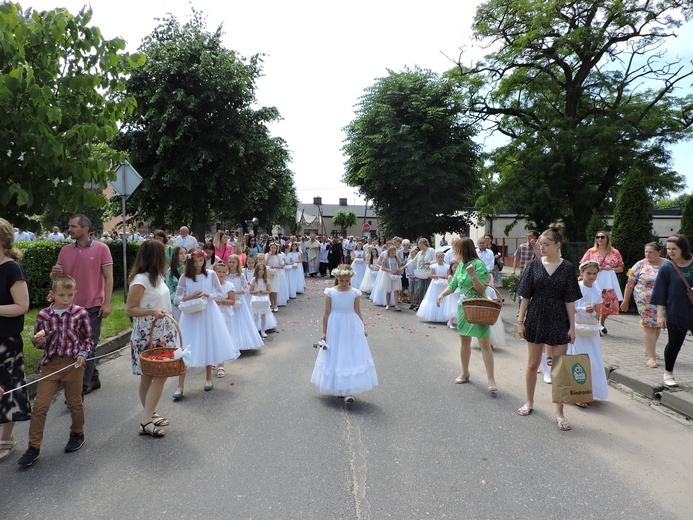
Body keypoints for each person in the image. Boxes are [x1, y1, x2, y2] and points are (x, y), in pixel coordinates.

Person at [17, 275, 93, 466]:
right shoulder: (43, 316)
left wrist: (83, 353)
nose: (66, 299)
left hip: (73, 363)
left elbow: (88, 338)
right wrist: (38, 341)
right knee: (40, 406)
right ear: (52, 295)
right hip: (50, 364)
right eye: (61, 295)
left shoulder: (80, 313)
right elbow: (38, 342)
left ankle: (77, 433)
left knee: (74, 402)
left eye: (69, 295)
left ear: (74, 293)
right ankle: (33, 447)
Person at [516, 225, 582, 431]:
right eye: (540, 244)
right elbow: (525, 295)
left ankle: (560, 413)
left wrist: (573, 327)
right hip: (535, 317)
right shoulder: (533, 266)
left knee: (558, 369)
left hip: (558, 319)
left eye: (546, 244)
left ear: (557, 245)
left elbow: (570, 300)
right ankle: (529, 402)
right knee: (532, 365)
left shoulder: (568, 268)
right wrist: (520, 321)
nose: (541, 247)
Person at [53, 214, 113, 396]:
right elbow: (58, 279)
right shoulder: (65, 251)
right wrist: (54, 275)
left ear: (85, 228)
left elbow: (109, 276)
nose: (69, 229)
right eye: (69, 226)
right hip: (70, 307)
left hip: (93, 306)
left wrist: (107, 303)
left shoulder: (102, 248)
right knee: (75, 347)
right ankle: (93, 378)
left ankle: (79, 388)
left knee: (88, 346)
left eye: (73, 226)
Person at [124, 240, 176, 438]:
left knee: (152, 376)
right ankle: (146, 420)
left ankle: (150, 413)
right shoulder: (140, 280)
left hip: (162, 331)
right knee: (158, 374)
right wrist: (152, 311)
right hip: (148, 334)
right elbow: (130, 309)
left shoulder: (158, 277)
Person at [173, 248, 240, 398]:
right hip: (190, 314)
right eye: (195, 261)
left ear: (204, 261)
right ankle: (180, 385)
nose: (198, 264)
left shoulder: (211, 274)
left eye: (201, 261)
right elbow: (177, 298)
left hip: (208, 312)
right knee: (186, 345)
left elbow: (219, 293)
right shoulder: (185, 277)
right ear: (190, 262)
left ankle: (208, 377)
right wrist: (190, 297)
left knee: (207, 341)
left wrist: (206, 294)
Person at [436, 238, 497, 394]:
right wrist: (442, 294)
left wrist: (472, 275)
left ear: (464, 250)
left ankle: (491, 379)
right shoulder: (461, 265)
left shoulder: (478, 265)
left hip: (478, 306)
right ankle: (465, 372)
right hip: (464, 307)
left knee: (484, 343)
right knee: (464, 340)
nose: (454, 253)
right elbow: (454, 284)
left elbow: (482, 289)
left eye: (456, 249)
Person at [310, 265, 378, 402]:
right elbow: (327, 313)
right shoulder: (330, 292)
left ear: (350, 279)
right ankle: (338, 387)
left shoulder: (355, 293)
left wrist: (361, 328)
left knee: (348, 354)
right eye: (341, 281)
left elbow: (357, 311)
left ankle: (348, 390)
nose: (344, 283)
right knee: (336, 354)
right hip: (335, 325)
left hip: (350, 324)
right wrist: (324, 331)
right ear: (337, 278)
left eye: (347, 281)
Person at [0, 218, 31, 464]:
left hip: (6, 340)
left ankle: (6, 438)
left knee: (7, 388)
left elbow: (22, 306)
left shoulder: (12, 268)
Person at [651, 234, 693, 388]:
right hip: (676, 310)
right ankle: (668, 373)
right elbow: (660, 293)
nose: (670, 252)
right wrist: (660, 316)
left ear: (683, 248)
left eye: (674, 249)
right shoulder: (667, 267)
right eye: (668, 249)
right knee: (674, 343)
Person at [569, 261, 608, 406]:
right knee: (578, 360)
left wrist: (594, 312)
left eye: (594, 273)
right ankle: (577, 393)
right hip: (577, 327)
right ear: (582, 274)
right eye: (588, 273)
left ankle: (589, 391)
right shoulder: (576, 288)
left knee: (593, 361)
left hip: (590, 329)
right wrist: (583, 309)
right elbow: (570, 308)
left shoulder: (597, 291)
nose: (591, 276)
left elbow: (598, 312)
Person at [621, 242, 666, 368]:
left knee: (657, 326)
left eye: (651, 252)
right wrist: (625, 300)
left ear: (659, 252)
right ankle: (650, 357)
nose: (648, 254)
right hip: (644, 301)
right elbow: (630, 283)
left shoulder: (667, 264)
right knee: (648, 326)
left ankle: (649, 349)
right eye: (646, 252)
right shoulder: (640, 264)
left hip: (662, 302)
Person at [579, 230, 624, 334]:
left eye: (602, 237)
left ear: (607, 238)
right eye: (597, 237)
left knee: (608, 303)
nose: (599, 239)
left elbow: (621, 267)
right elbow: (582, 265)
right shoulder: (591, 251)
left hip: (608, 282)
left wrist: (611, 268)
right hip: (593, 281)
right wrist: (593, 268)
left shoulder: (615, 252)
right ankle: (595, 323)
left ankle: (601, 322)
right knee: (593, 301)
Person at [227, 255, 266, 347]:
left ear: (237, 263)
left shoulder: (241, 275)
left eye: (234, 262)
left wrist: (235, 292)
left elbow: (245, 289)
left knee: (242, 321)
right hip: (229, 301)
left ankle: (242, 342)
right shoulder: (226, 275)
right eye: (230, 262)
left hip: (240, 300)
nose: (231, 264)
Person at [212, 262, 241, 377]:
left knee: (223, 337)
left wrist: (222, 301)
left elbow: (232, 301)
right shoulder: (210, 285)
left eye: (224, 272)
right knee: (214, 337)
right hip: (213, 314)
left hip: (224, 313)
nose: (221, 274)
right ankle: (213, 359)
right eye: (219, 272)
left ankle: (221, 365)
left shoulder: (229, 285)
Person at [417, 251, 450, 322]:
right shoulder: (434, 266)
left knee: (443, 299)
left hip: (443, 284)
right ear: (436, 258)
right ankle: (433, 316)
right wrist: (438, 276)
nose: (440, 259)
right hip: (435, 285)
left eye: (441, 257)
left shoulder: (447, 266)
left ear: (443, 258)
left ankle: (443, 317)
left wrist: (446, 277)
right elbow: (431, 275)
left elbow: (448, 275)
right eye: (438, 257)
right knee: (433, 298)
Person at [249, 263, 272, 338]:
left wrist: (263, 291)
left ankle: (263, 330)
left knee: (263, 316)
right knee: (255, 316)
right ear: (256, 271)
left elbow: (269, 291)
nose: (261, 271)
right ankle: (255, 331)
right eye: (259, 269)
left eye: (263, 270)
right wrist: (256, 292)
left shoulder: (266, 280)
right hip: (256, 299)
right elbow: (251, 291)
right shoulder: (254, 280)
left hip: (264, 299)